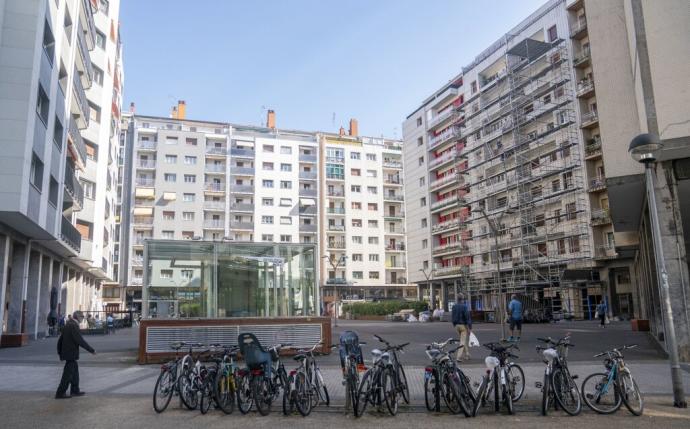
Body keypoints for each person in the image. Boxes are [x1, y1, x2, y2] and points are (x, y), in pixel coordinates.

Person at [56, 311, 96, 399]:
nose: (83, 318)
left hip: (68, 353)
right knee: (67, 374)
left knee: (74, 373)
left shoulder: (69, 324)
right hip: (70, 353)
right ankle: (60, 392)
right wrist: (91, 350)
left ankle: (75, 390)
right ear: (77, 317)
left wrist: (59, 351)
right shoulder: (73, 325)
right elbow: (80, 340)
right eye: (82, 316)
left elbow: (60, 340)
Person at [451, 294, 472, 361]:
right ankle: (458, 357)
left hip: (456, 325)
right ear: (462, 299)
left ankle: (467, 354)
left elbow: (452, 316)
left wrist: (454, 324)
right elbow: (467, 317)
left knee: (463, 339)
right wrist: (469, 327)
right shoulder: (464, 307)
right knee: (462, 341)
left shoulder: (454, 306)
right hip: (463, 326)